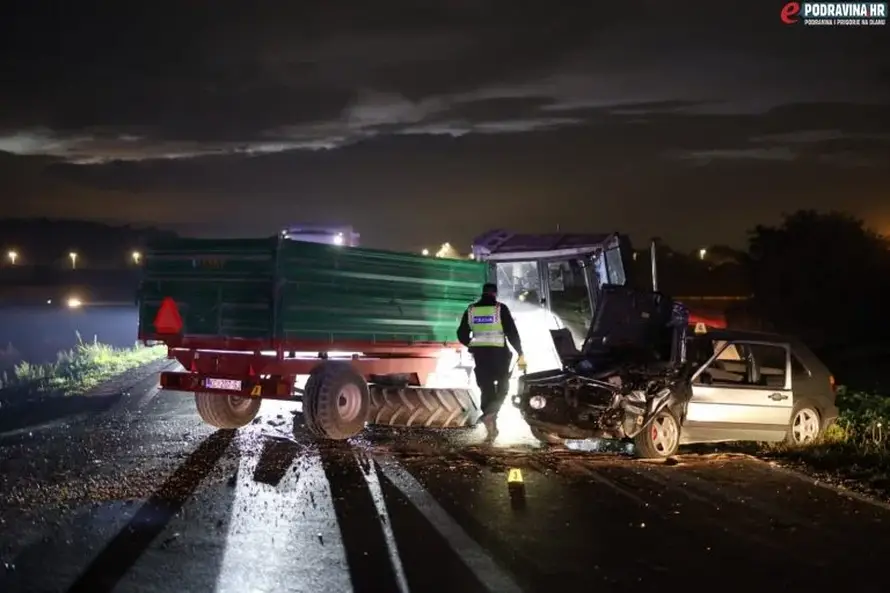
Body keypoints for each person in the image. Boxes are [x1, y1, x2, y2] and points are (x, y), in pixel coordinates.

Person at [457, 282, 527, 442]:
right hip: (499, 355)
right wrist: (520, 351)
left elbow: (461, 334)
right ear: (495, 293)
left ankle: (491, 428)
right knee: (503, 386)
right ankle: (491, 414)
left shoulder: (471, 310)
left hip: (480, 355)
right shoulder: (499, 308)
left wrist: (472, 345)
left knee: (486, 389)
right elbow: (512, 332)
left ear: (483, 293)